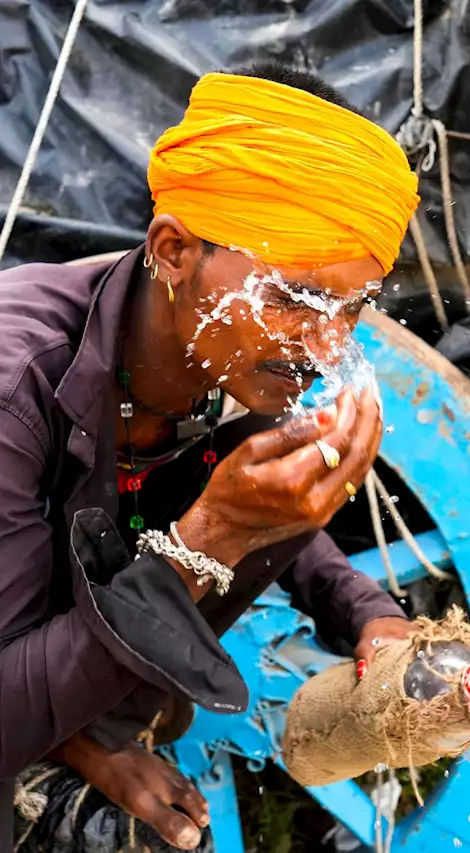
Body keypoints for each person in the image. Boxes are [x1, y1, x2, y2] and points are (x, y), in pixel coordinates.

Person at [0, 64, 423, 853]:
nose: (329, 345)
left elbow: (268, 501)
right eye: (295, 298)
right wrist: (212, 535)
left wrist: (370, 615)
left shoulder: (223, 356)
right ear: (174, 250)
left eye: (354, 308)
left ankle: (87, 729)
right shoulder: (15, 382)